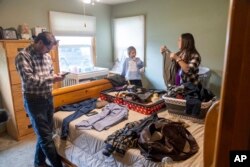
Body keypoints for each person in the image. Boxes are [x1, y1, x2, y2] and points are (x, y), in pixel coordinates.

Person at [15, 32, 64, 167]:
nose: (49, 52)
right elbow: (29, 80)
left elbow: (49, 75)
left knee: (45, 134)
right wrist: (51, 79)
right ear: (40, 43)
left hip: (48, 98)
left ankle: (39, 163)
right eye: (48, 48)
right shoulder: (23, 56)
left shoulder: (47, 56)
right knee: (46, 138)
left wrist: (57, 76)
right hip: (34, 101)